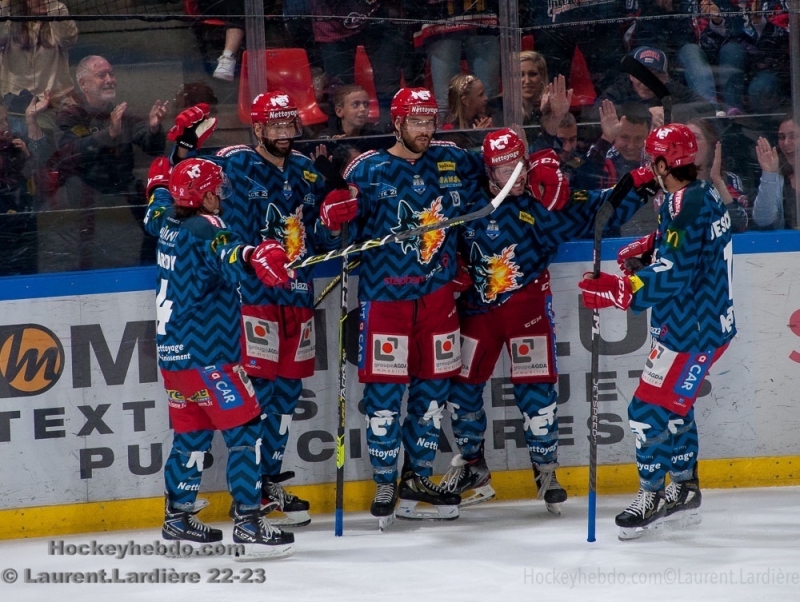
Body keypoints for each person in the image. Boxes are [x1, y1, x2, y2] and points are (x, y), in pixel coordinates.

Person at [440, 128, 656, 514]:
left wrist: (637, 183)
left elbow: (600, 209)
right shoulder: (467, 200)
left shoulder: (548, 199)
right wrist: (449, 268)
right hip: (476, 311)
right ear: (489, 172)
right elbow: (438, 237)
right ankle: (472, 467)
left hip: (529, 311)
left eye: (520, 166)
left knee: (537, 394)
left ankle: (545, 470)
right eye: (505, 170)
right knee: (461, 393)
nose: (516, 177)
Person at [316, 87, 485, 524]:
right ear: (397, 122)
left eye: (430, 121)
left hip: (438, 301)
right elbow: (333, 238)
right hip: (386, 299)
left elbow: (501, 169)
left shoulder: (451, 158)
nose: (426, 130)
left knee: (431, 398)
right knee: (385, 400)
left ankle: (418, 477)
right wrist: (333, 218)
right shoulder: (368, 169)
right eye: (417, 121)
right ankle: (387, 479)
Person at [171, 92, 338, 527]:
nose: (285, 134)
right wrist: (181, 148)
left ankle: (267, 483)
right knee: (257, 398)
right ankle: (250, 496)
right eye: (276, 126)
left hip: (297, 296)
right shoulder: (237, 162)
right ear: (258, 128)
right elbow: (185, 188)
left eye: (290, 126)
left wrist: (334, 220)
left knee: (284, 398)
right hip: (254, 298)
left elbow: (318, 238)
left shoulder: (304, 170)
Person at [578, 123, 736, 539]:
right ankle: (683, 488)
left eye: (654, 160)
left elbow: (675, 272)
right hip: (699, 324)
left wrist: (617, 289)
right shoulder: (701, 196)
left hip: (691, 331)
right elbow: (687, 245)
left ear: (666, 163)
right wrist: (651, 244)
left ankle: (652, 494)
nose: (650, 166)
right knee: (675, 408)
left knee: (646, 412)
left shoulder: (683, 203)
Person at [144, 157, 295, 559]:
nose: (220, 196)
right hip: (211, 358)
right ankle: (248, 521)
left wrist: (169, 166)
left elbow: (155, 206)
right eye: (216, 189)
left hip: (175, 360)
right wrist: (253, 256)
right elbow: (227, 251)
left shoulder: (167, 225)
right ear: (204, 194)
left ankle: (176, 517)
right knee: (246, 433)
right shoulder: (207, 226)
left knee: (191, 438)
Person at [40, 55, 168, 272]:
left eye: (111, 73)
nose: (110, 79)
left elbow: (151, 146)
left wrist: (154, 128)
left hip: (122, 211)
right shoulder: (70, 116)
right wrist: (107, 135)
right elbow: (68, 154)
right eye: (101, 75)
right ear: (83, 84)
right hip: (84, 210)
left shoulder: (121, 113)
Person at [0, 0, 78, 134]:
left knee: (43, 141)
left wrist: (52, 3)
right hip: (13, 108)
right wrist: (5, 2)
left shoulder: (58, 13)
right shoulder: (10, 22)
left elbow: (68, 37)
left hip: (53, 107)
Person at [595, 46, 715, 127]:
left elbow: (707, 109)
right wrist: (645, 113)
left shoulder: (673, 88)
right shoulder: (619, 89)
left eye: (655, 76)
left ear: (665, 77)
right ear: (630, 76)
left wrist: (670, 113)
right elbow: (593, 114)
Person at [0, 95, 50, 275]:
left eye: (6, 120)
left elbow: (41, 161)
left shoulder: (14, 146)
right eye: (2, 122)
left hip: (24, 224)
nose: (6, 126)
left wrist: (31, 121)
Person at [686, 118, 749, 232]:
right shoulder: (670, 182)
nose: (689, 143)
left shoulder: (729, 180)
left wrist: (717, 181)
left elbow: (739, 224)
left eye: (695, 137)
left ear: (711, 145)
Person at [752, 112, 798, 229]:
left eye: (794, 136)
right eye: (782, 137)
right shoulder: (778, 177)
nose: (786, 143)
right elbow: (762, 220)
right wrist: (769, 175)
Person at [317, 85, 383, 139]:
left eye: (366, 104)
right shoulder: (327, 137)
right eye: (355, 104)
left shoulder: (376, 136)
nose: (363, 109)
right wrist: (334, 147)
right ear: (339, 111)